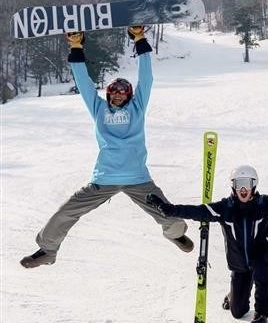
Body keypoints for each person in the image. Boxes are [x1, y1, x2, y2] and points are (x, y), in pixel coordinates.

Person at [20, 27, 192, 269]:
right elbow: (84, 82)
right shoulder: (99, 109)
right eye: (114, 93)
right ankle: (48, 250)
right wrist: (76, 47)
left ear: (130, 96)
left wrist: (140, 40)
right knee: (67, 211)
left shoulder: (137, 108)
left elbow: (147, 78)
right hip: (103, 179)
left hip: (138, 179)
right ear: (109, 94)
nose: (119, 97)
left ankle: (175, 234)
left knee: (169, 214)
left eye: (123, 93)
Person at [147, 165, 268, 323]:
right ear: (233, 186)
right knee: (237, 311)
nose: (243, 188)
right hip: (239, 264)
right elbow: (198, 211)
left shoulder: (264, 204)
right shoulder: (224, 208)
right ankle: (232, 296)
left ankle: (262, 312)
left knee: (261, 271)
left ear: (254, 185)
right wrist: (170, 209)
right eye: (238, 184)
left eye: (247, 183)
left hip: (262, 253)